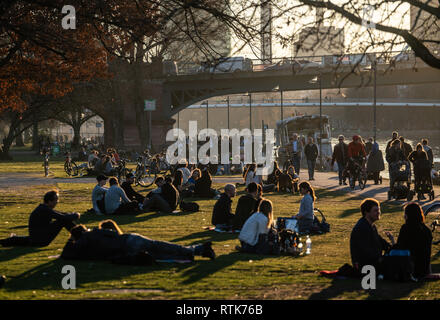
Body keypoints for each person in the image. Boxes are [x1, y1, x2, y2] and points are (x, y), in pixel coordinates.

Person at [61, 220, 215, 263]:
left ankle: (196, 250)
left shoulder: (86, 239)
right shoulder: (96, 232)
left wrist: (70, 241)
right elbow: (113, 233)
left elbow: (67, 254)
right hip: (131, 237)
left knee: (160, 255)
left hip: (127, 247)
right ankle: (198, 249)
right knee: (161, 246)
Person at [0, 191, 80, 247]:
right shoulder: (44, 210)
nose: (57, 202)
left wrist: (70, 214)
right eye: (56, 200)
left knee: (63, 219)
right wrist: (76, 215)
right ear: (49, 201)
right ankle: (81, 236)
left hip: (37, 238)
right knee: (63, 220)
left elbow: (60, 214)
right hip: (41, 241)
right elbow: (62, 217)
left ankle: (81, 235)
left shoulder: (43, 208)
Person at [350, 198, 392, 272]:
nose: (378, 213)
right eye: (375, 211)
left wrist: (392, 246)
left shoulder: (371, 226)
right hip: (365, 266)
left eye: (378, 210)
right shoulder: (362, 227)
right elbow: (366, 251)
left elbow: (382, 243)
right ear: (366, 212)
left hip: (372, 262)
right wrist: (381, 258)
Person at [393, 202, 432, 279]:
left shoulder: (406, 228)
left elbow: (400, 248)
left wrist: (392, 240)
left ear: (407, 215)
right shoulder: (426, 230)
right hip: (424, 269)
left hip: (411, 268)